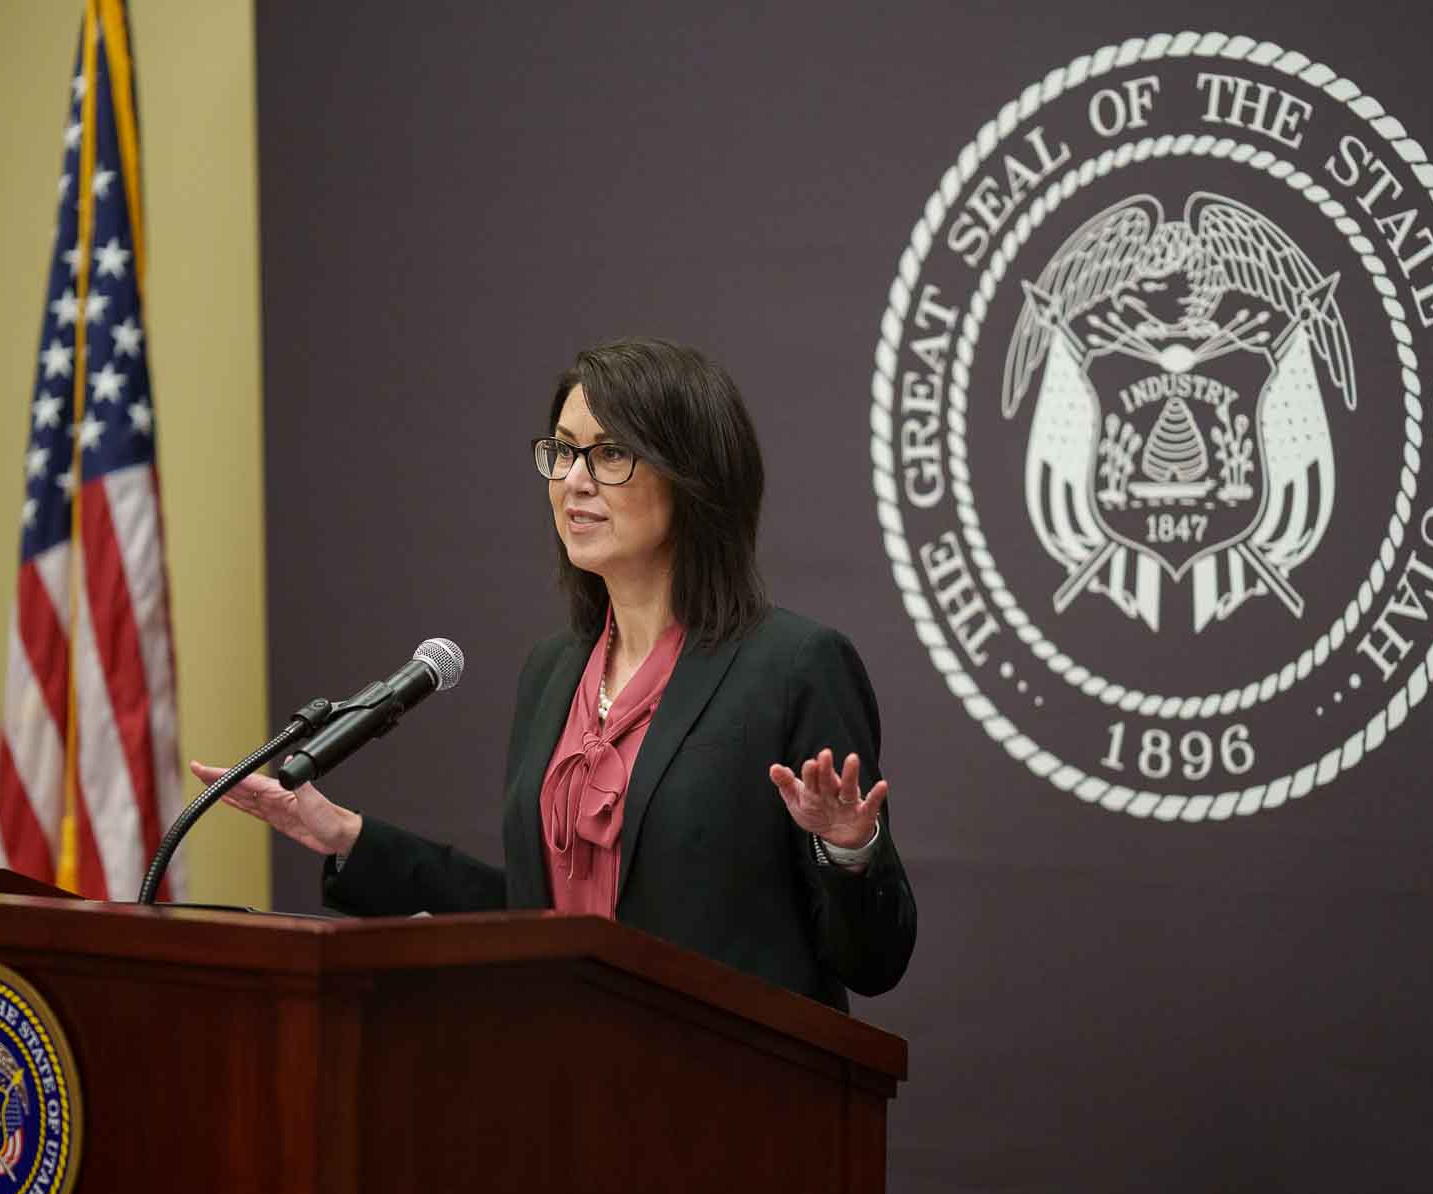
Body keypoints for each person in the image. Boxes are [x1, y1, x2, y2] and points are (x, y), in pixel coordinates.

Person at [195, 338, 915, 1008]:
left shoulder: (793, 667)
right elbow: (540, 921)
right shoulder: (554, 671)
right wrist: (345, 836)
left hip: (730, 1100)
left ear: (694, 477)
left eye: (609, 454)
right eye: (563, 452)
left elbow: (872, 962)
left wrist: (848, 848)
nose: (574, 481)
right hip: (570, 1085)